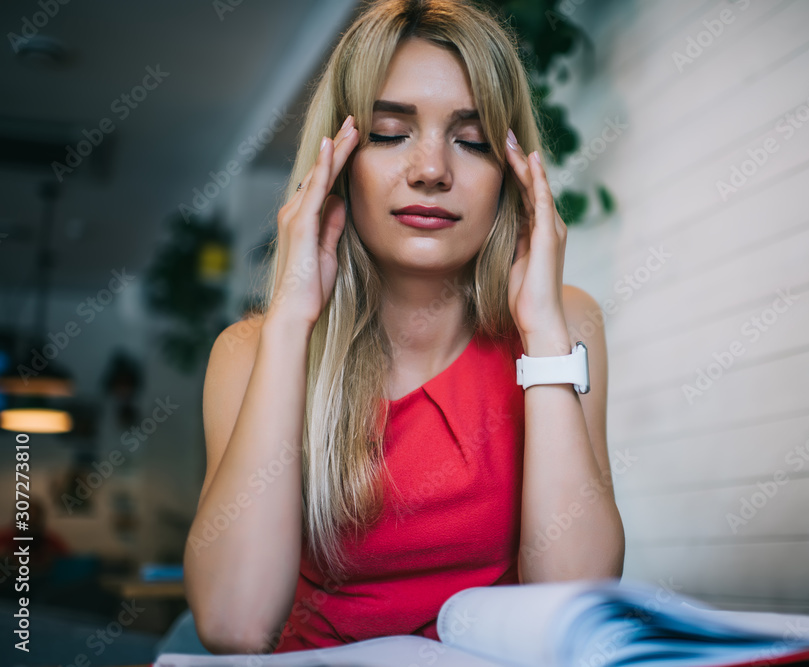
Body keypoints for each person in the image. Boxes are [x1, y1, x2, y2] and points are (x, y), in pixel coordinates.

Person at [183, 0, 624, 654]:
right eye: (391, 132)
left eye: (471, 140)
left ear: (511, 176)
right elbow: (234, 624)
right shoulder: (249, 352)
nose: (431, 170)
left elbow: (575, 605)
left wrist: (545, 335)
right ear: (336, 165)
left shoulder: (565, 322)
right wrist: (292, 321)